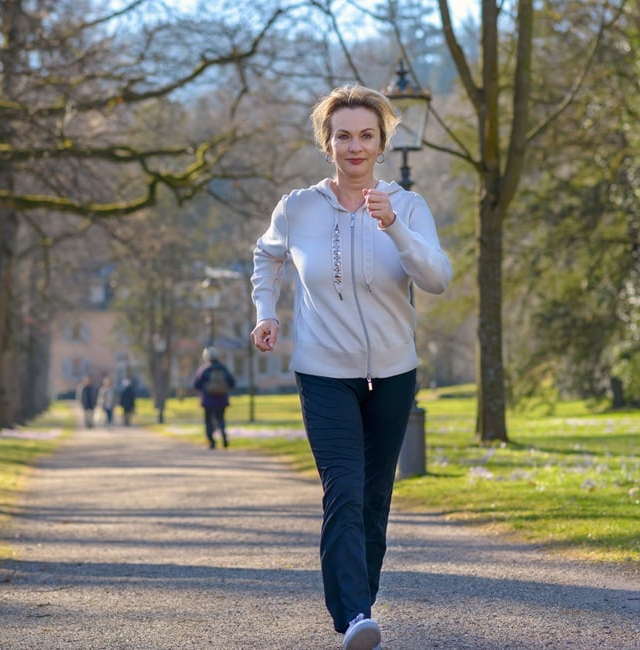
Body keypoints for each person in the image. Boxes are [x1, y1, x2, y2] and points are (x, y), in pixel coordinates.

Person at [249, 84, 452, 650]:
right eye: (344, 136)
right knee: (343, 488)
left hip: (393, 373)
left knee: (374, 497)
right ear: (327, 142)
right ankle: (357, 616)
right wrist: (266, 313)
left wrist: (396, 228)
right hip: (323, 372)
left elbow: (437, 279)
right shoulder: (298, 207)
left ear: (382, 143)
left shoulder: (407, 206)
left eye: (366, 135)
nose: (355, 146)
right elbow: (266, 257)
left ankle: (359, 601)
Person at [191, 347, 235, 449]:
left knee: (208, 421)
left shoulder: (204, 369)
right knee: (221, 419)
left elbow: (197, 384)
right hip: (221, 399)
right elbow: (232, 382)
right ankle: (223, 435)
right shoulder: (223, 368)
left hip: (208, 400)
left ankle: (211, 442)